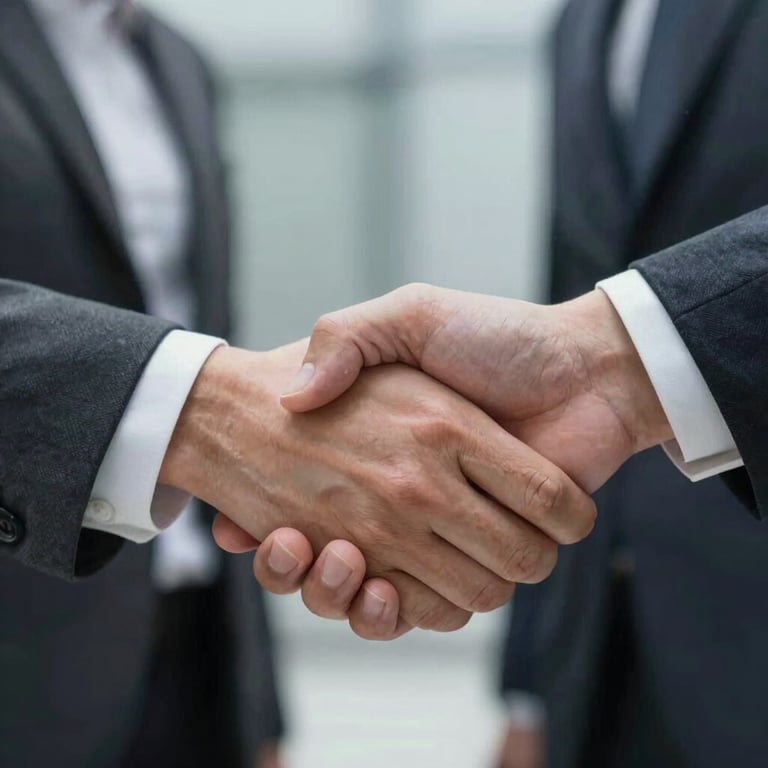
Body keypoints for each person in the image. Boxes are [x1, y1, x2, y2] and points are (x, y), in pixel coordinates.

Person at [0, 1, 285, 766]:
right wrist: (195, 402)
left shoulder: (183, 62)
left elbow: (211, 331)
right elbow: (205, 388)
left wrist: (261, 705)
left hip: (194, 632)